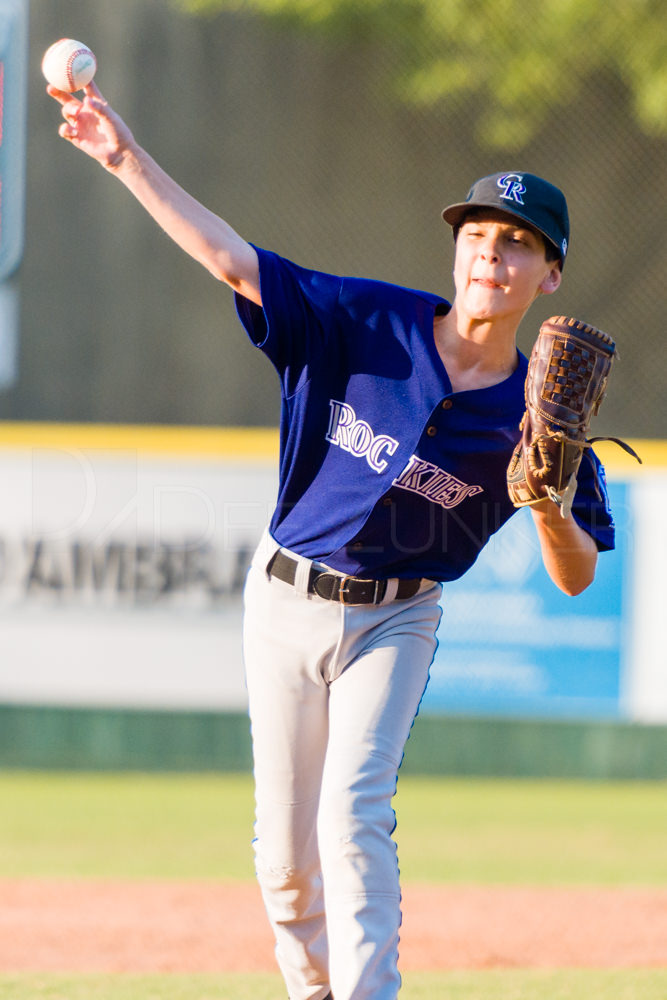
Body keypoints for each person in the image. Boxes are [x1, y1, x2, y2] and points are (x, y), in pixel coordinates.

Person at [48, 81, 614, 1000]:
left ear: (548, 275)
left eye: (516, 245)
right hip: (282, 600)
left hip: (397, 623)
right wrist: (123, 157)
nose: (490, 255)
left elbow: (579, 575)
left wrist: (549, 506)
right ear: (456, 246)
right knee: (283, 858)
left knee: (353, 816)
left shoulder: (538, 417)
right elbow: (232, 259)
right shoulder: (365, 320)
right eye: (477, 235)